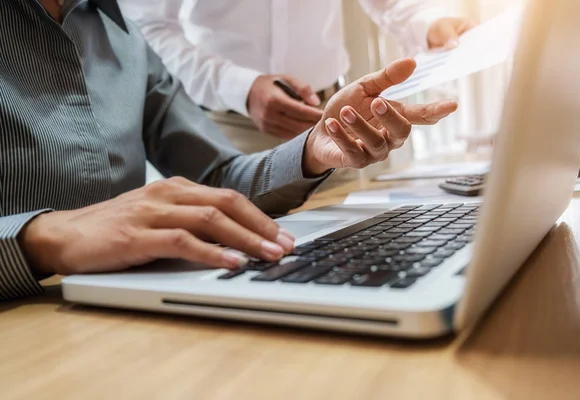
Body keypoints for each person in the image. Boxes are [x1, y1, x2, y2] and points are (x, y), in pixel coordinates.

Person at [0, 0, 457, 301]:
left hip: (120, 311)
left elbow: (220, 178)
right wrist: (43, 238)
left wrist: (313, 150)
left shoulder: (121, 33)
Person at [118, 0, 475, 153]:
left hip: (335, 119)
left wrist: (429, 24)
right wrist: (241, 88)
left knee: (352, 259)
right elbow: (146, 26)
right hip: (226, 130)